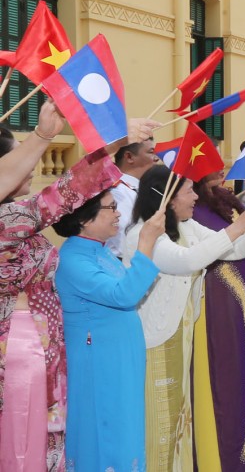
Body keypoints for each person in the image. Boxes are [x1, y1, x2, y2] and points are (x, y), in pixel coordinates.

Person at [0, 114, 155, 472]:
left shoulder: (15, 216)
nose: (30, 164)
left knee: (46, 444)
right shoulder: (9, 221)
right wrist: (113, 145)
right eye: (18, 157)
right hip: (22, 351)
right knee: (23, 448)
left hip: (43, 345)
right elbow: (63, 195)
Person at [125, 165, 245, 471]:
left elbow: (230, 250)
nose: (196, 197)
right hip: (156, 339)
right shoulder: (143, 234)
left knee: (181, 419)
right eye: (188, 191)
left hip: (181, 332)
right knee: (162, 425)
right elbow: (189, 261)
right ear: (168, 199)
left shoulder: (185, 227)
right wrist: (239, 226)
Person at [53, 191, 165, 471]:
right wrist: (147, 244)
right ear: (84, 219)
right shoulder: (73, 259)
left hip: (119, 355)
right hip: (98, 360)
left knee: (124, 424)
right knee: (104, 428)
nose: (118, 213)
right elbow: (125, 295)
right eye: (111, 207)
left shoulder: (98, 250)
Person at [191, 169, 245, 470]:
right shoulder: (188, 212)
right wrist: (244, 228)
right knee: (218, 376)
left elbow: (236, 248)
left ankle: (237, 455)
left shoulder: (225, 201)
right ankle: (218, 457)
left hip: (238, 293)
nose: (220, 168)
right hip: (214, 296)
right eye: (210, 164)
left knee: (238, 373)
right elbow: (217, 250)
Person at [105, 137, 159, 259]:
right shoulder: (118, 192)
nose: (157, 158)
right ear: (129, 157)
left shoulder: (140, 188)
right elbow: (123, 239)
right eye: (151, 152)